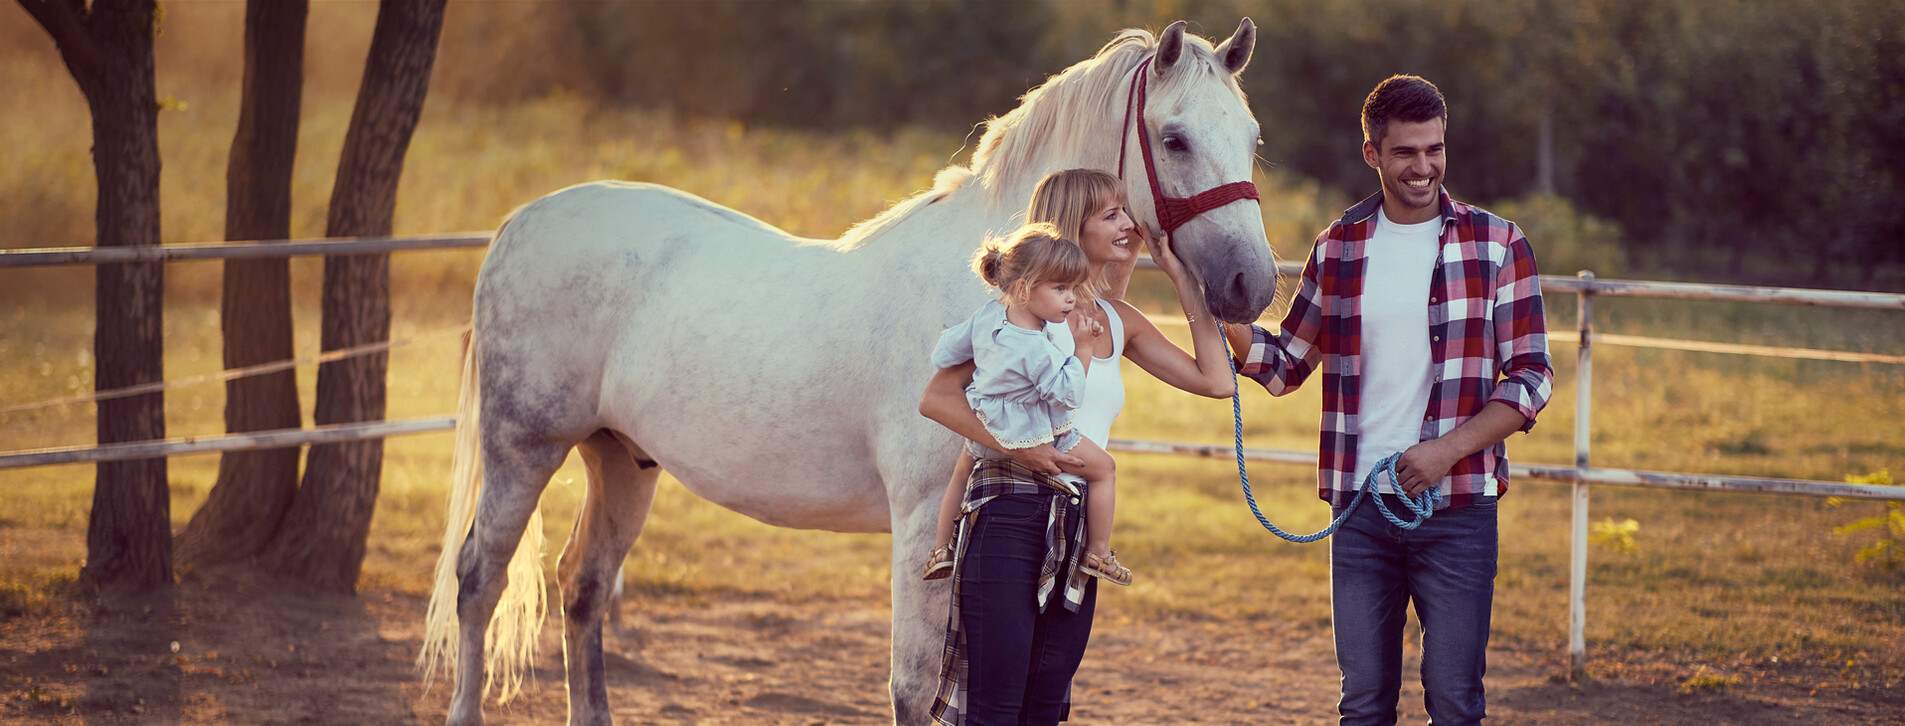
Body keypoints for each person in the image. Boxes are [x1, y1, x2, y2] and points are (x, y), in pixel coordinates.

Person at [1223, 75, 1554, 725]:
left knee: (1454, 701)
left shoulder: (1496, 245)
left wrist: (1444, 453)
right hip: (1359, 511)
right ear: (1372, 153)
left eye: (1434, 149)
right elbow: (1287, 364)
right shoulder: (1338, 246)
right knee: (1363, 703)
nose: (1423, 166)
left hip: (1457, 511)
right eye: (1405, 152)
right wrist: (1219, 311)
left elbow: (1530, 375)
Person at [919, 168, 1236, 725]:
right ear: (1073, 226)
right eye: (1111, 214)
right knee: (994, 708)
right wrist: (1019, 449)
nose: (1129, 224)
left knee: (1046, 708)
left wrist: (1184, 283)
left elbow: (1217, 382)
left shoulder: (1117, 321)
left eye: (1126, 211)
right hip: (1009, 510)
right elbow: (939, 398)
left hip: (1075, 523)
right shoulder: (1012, 318)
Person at [921, 223, 1129, 588]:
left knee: (960, 473)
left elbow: (947, 351)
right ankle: (1099, 551)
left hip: (985, 418)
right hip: (1034, 429)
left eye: (1073, 289)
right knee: (1105, 469)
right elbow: (1066, 394)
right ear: (1023, 288)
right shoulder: (1035, 348)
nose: (1070, 299)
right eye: (1061, 288)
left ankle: (941, 548)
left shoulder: (987, 316)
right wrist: (1083, 348)